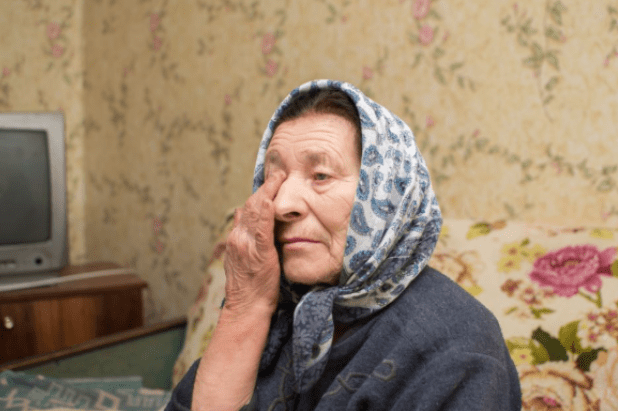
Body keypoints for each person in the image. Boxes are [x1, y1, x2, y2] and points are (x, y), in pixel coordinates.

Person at [166, 80, 521, 410]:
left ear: (384, 195)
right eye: (275, 177)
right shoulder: (279, 303)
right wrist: (245, 308)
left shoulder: (456, 349)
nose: (282, 203)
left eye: (320, 175)